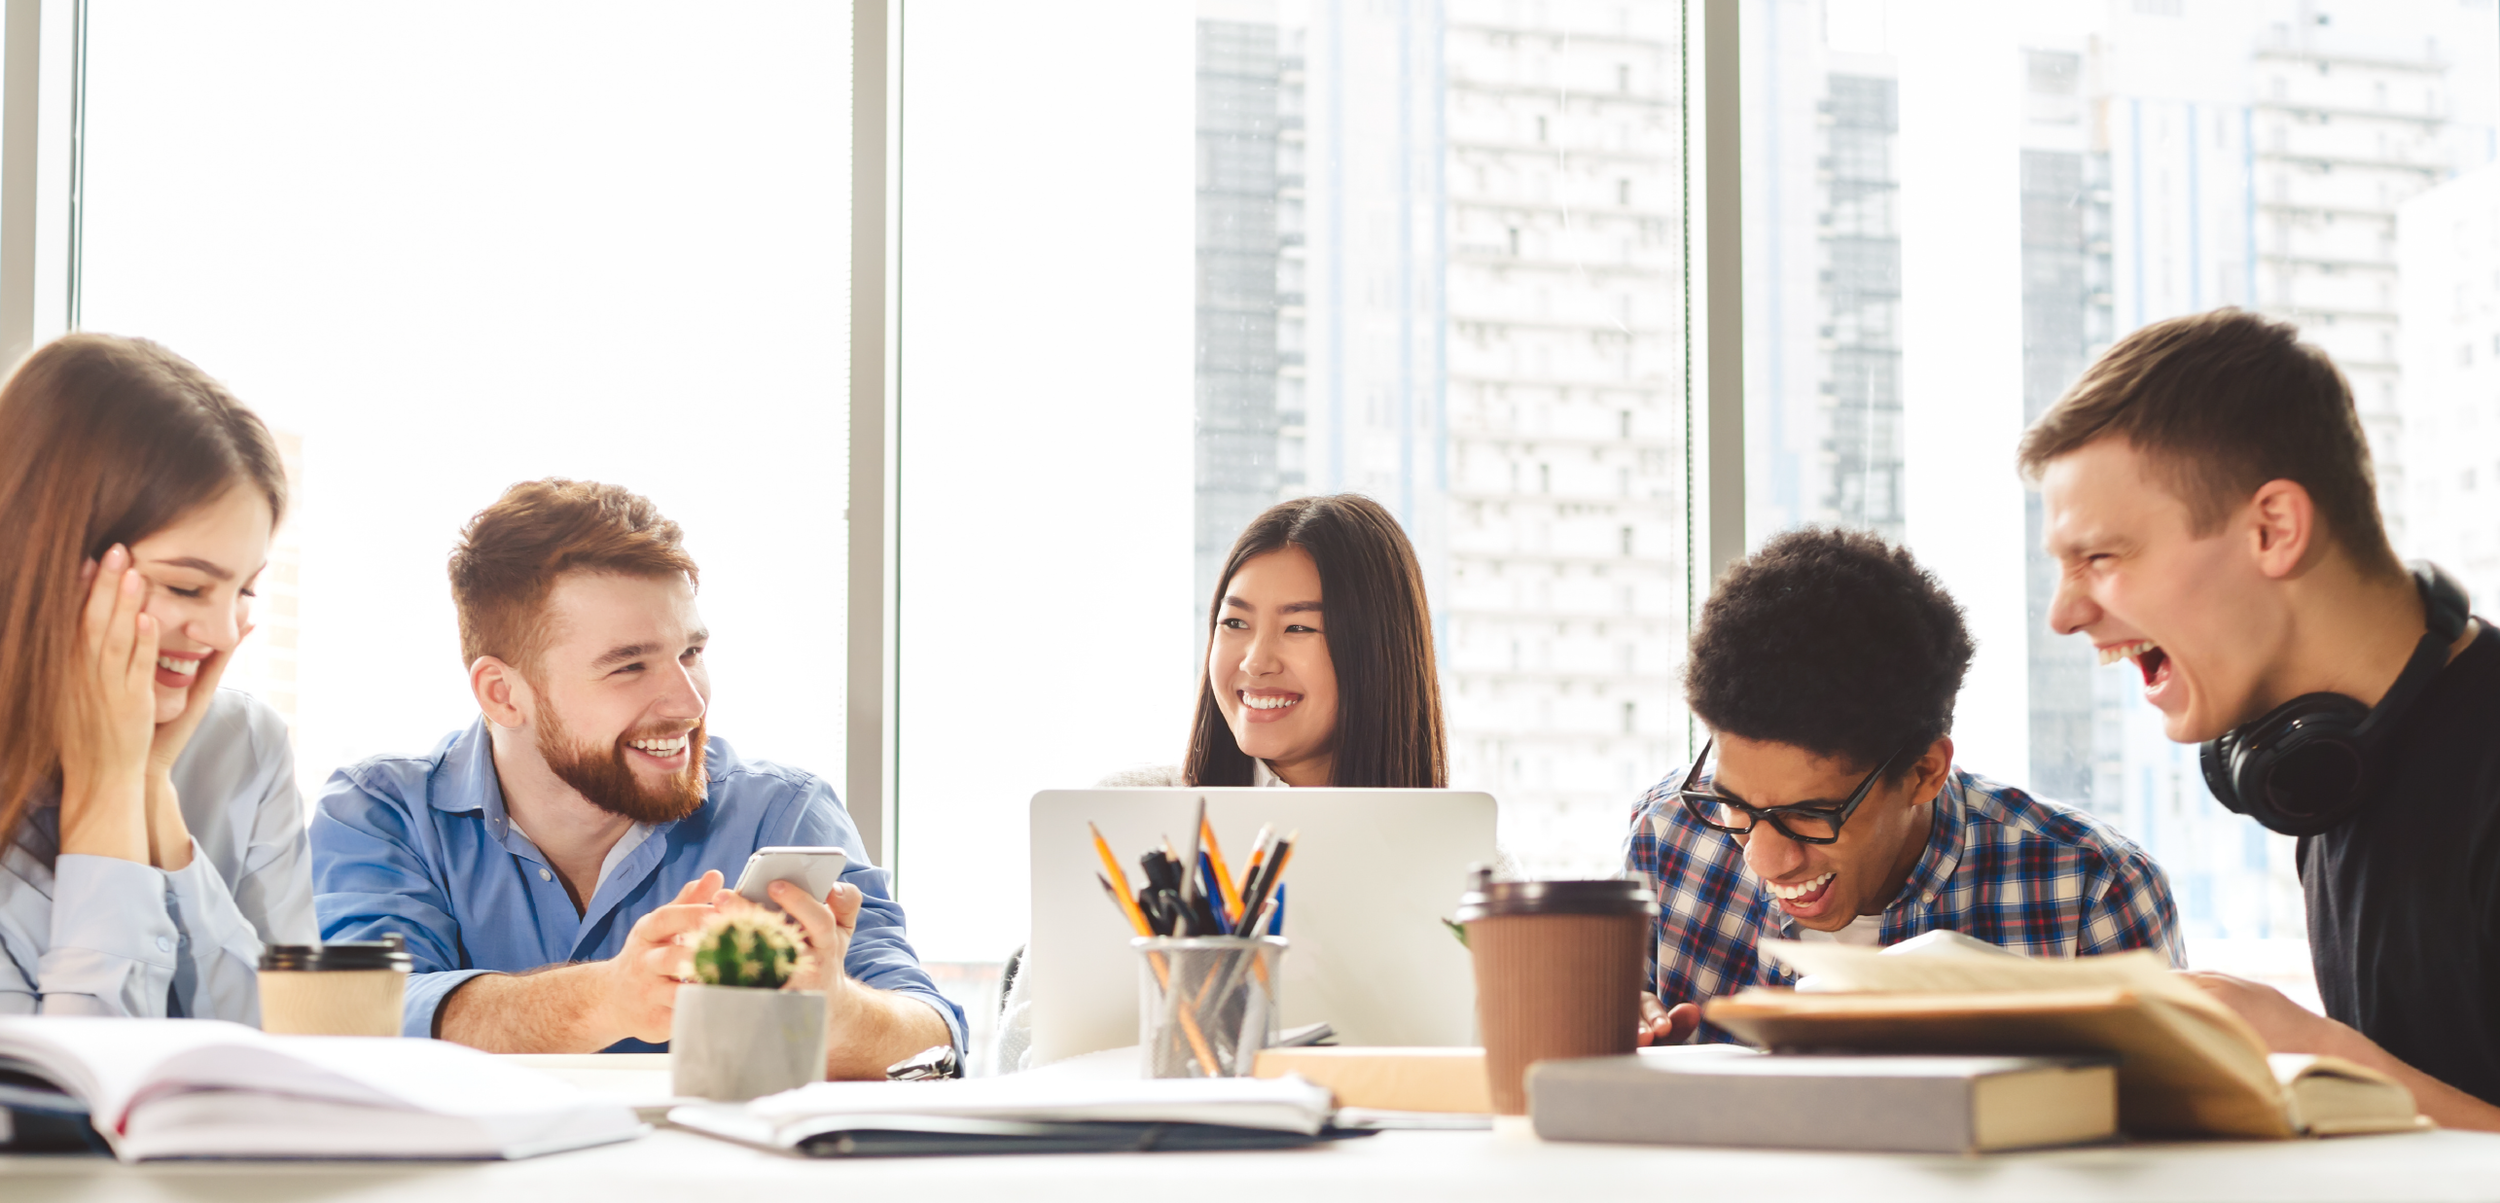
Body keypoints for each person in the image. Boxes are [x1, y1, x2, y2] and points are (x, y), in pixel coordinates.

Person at [2022, 308, 2500, 1131]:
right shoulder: (2325, 770)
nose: (2064, 615)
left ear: (2272, 528)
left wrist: (2320, 1052)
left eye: (2099, 557)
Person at [310, 479, 960, 1076]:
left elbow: (934, 1040)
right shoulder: (381, 812)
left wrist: (837, 1008)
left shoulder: (781, 811)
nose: (688, 702)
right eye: (629, 667)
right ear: (503, 693)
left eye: (691, 652)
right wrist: (606, 999)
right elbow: (363, 1019)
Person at [1628, 527, 2183, 1046]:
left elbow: (2178, 1129)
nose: (1765, 860)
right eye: (1732, 805)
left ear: (1923, 773)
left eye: (1810, 814)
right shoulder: (1665, 834)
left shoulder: (2091, 887)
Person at [993, 493, 1448, 1070]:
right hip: (1156, 1147)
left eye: (1299, 627)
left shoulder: (1462, 858)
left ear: (1377, 653)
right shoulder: (1130, 811)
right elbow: (1020, 1058)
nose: (1255, 659)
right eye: (1234, 622)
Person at [0, 333, 316, 1019]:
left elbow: (295, 1046)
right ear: (47, 559)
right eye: (186, 586)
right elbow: (68, 1109)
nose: (225, 633)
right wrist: (107, 792)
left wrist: (151, 792)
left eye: (244, 591)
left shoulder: (243, 745)